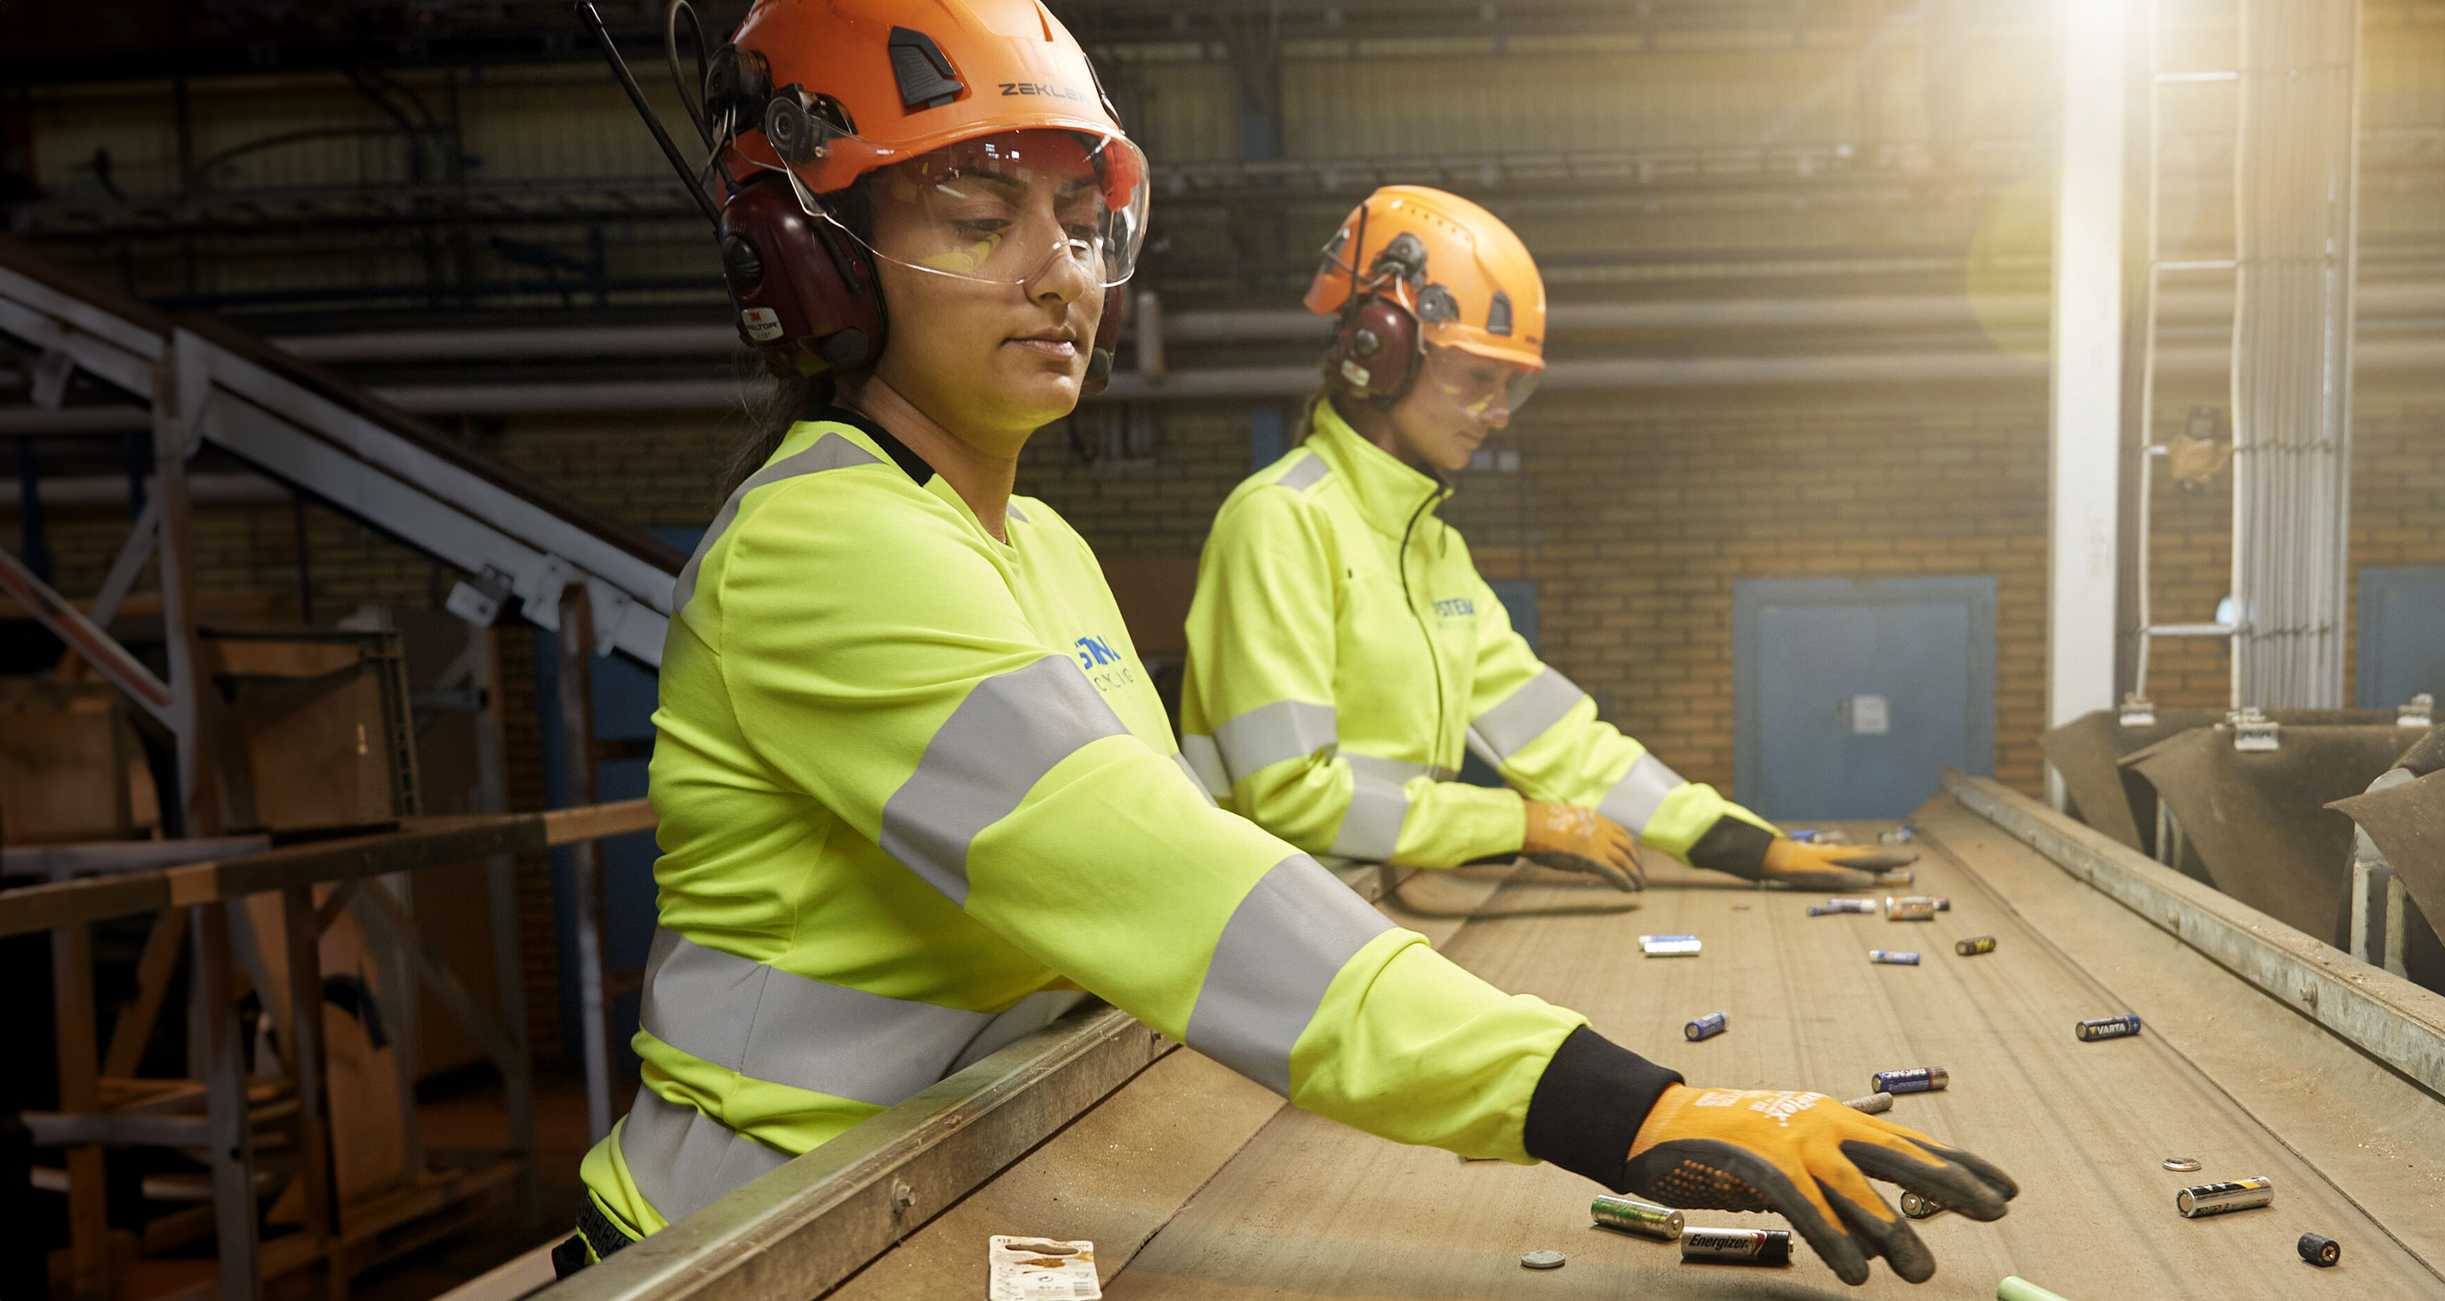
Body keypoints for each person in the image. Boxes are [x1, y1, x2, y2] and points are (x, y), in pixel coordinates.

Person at [562, 2, 2012, 1285]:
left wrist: (1735, 841)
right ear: (804, 257)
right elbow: (1174, 871)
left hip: (952, 1166)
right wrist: (1621, 1107)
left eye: (1080, 219)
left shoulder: (1043, 548)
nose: (1059, 268)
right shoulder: (823, 544)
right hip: (756, 1242)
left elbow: (1241, 839)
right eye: (976, 214)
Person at [1178, 186, 1912, 895]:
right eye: (1476, 378)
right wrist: (1518, 823)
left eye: (1511, 387)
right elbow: (1286, 796)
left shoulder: (1432, 552)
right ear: (1386, 350)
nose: (1496, 413)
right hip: (1267, 927)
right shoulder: (1280, 521)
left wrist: (1743, 842)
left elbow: (1559, 741)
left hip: (1362, 904)